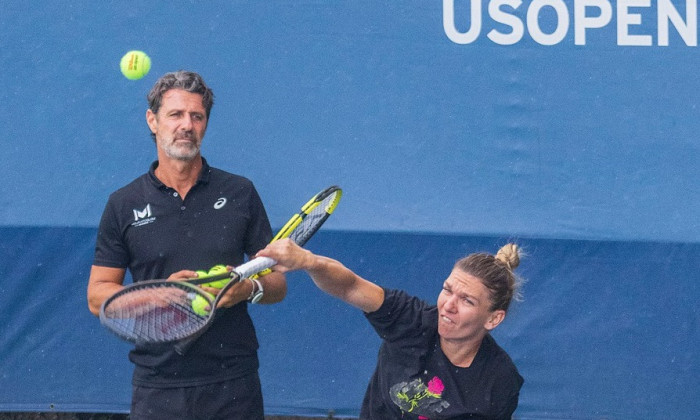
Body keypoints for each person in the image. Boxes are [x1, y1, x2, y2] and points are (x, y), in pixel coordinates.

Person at [87, 70, 286, 420]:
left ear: (206, 124)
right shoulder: (123, 203)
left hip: (233, 382)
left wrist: (247, 289)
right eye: (175, 115)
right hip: (157, 385)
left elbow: (277, 284)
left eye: (197, 116)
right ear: (153, 121)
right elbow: (97, 297)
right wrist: (161, 293)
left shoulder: (240, 193)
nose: (187, 125)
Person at [256, 239, 524, 420]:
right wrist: (308, 261)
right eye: (447, 290)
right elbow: (351, 286)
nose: (448, 306)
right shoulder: (411, 320)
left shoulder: (500, 379)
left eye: (467, 301)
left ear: (493, 319)